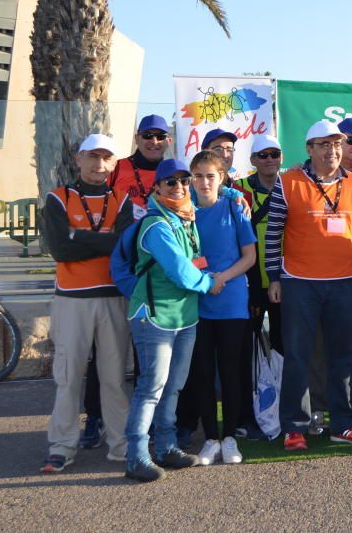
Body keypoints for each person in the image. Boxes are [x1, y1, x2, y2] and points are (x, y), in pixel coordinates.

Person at [265, 120, 352, 451]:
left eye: (337, 144)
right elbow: (274, 233)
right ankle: (294, 426)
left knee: (343, 355)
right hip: (299, 282)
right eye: (324, 145)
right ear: (309, 149)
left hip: (344, 282)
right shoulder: (288, 182)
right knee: (298, 356)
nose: (333, 151)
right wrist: (274, 277)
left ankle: (342, 423)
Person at [40, 134, 134, 474]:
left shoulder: (122, 199)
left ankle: (121, 444)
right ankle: (62, 446)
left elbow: (123, 245)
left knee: (113, 378)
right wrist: (103, 241)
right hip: (72, 301)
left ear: (113, 163)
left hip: (112, 298)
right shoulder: (58, 198)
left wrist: (78, 236)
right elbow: (59, 249)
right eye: (92, 156)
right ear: (78, 159)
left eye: (106, 157)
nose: (99, 164)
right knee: (68, 377)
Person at [124, 159, 220, 482]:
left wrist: (233, 196)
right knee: (151, 387)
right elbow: (181, 271)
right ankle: (136, 455)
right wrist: (209, 283)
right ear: (157, 188)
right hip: (154, 317)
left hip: (184, 316)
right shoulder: (156, 225)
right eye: (170, 182)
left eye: (183, 180)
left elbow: (224, 190)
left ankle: (165, 447)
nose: (178, 187)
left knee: (174, 387)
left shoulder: (186, 217)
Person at [79, 114, 170, 450]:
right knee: (103, 351)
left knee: (147, 354)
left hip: (156, 278)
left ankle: (150, 423)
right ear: (138, 136)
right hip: (117, 272)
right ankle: (95, 417)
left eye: (160, 136)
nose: (154, 141)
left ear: (168, 139)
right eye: (148, 135)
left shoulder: (172, 171)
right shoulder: (119, 168)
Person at [183, 150, 257, 465]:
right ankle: (210, 439)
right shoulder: (182, 211)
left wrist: (221, 278)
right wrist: (202, 281)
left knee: (230, 372)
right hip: (196, 303)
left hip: (231, 301)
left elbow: (249, 257)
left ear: (222, 177)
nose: (204, 182)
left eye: (210, 176)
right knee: (201, 373)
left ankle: (229, 438)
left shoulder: (235, 206)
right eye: (197, 176)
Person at [308, 116, 352, 431]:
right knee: (319, 344)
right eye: (351, 140)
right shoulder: (308, 175)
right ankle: (319, 408)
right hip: (315, 275)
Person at [235, 134, 284, 440]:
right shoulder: (241, 192)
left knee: (282, 351)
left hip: (284, 284)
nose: (268, 159)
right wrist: (253, 290)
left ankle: (281, 412)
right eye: (262, 155)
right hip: (252, 285)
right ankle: (246, 416)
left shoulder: (290, 187)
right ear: (253, 161)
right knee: (245, 355)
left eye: (273, 154)